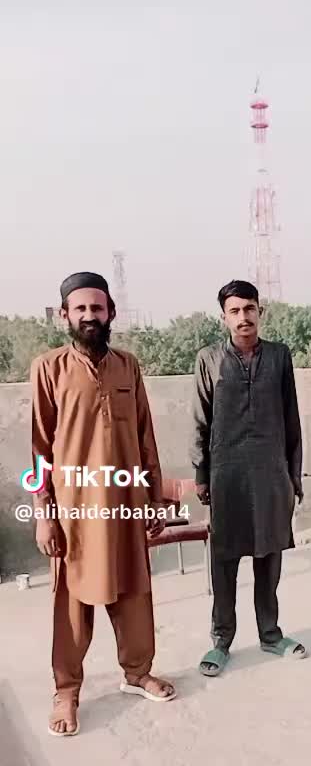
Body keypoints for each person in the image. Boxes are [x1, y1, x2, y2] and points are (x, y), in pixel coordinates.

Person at [31, 271, 176, 737]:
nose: (90, 316)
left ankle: (137, 672)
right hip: (74, 509)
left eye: (97, 307)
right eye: (80, 308)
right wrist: (44, 515)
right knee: (72, 599)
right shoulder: (48, 368)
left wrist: (154, 500)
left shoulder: (128, 366)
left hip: (126, 503)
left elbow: (145, 437)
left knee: (135, 590)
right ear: (65, 315)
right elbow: (39, 449)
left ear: (110, 312)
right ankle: (67, 689)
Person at [190, 279, 306, 676]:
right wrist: (201, 474)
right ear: (224, 317)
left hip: (271, 472)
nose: (244, 317)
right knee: (224, 559)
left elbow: (292, 419)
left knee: (269, 556)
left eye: (250, 309)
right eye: (235, 311)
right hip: (227, 474)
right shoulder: (208, 359)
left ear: (260, 312)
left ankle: (270, 634)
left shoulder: (279, 356)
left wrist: (293, 475)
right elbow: (200, 420)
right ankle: (221, 640)